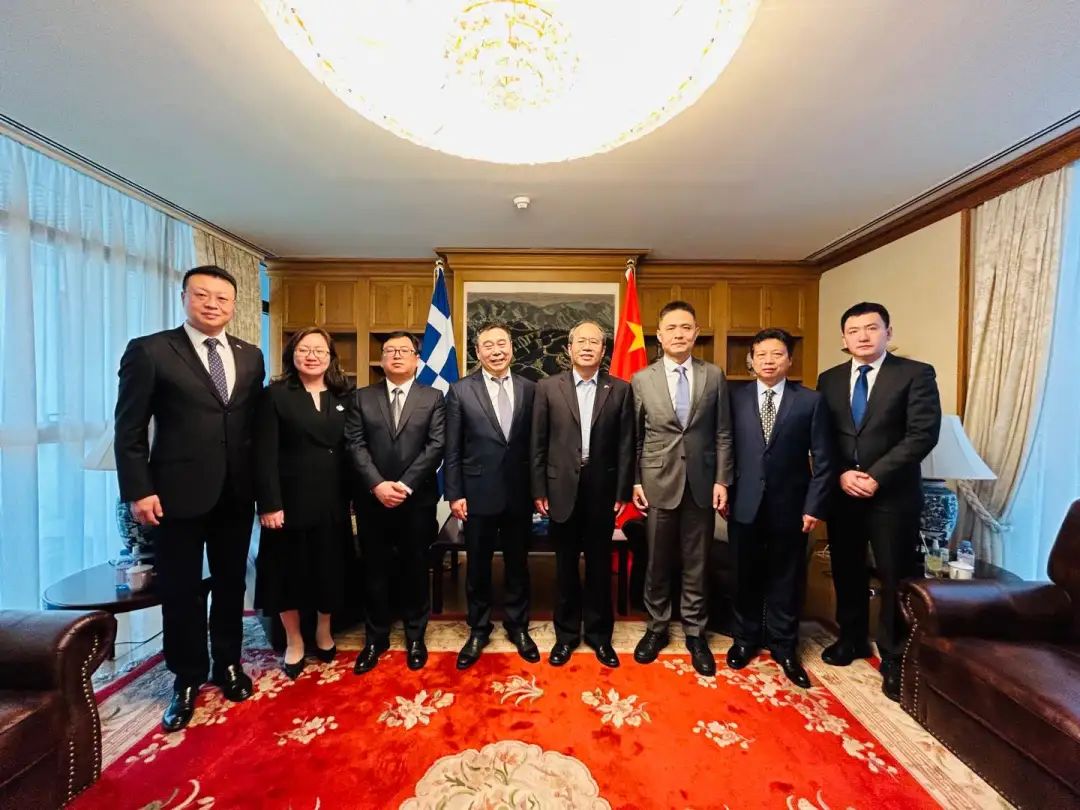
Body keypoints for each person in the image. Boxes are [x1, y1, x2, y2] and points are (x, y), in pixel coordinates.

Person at [114, 265, 265, 732]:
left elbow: (252, 426)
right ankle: (185, 677)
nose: (212, 304)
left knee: (231, 584)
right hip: (174, 494)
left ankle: (228, 663)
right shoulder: (151, 350)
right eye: (202, 295)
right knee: (180, 589)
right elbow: (129, 427)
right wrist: (138, 489)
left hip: (236, 492)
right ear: (184, 297)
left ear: (233, 305)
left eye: (222, 298)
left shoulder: (251, 355)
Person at [816, 302, 941, 701]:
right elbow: (823, 436)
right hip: (843, 493)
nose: (863, 336)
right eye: (854, 330)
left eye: (872, 328)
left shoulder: (915, 374)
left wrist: (876, 476)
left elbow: (922, 434)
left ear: (888, 331)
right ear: (844, 338)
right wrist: (841, 473)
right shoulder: (830, 379)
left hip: (892, 495)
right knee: (846, 569)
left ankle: (894, 656)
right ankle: (851, 638)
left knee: (894, 575)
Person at [726, 328, 834, 688]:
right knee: (744, 576)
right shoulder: (734, 398)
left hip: (792, 507)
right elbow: (724, 449)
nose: (768, 361)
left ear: (789, 359)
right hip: (743, 504)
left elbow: (824, 459)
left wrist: (814, 505)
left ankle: (785, 647)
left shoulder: (810, 401)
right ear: (751, 360)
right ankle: (745, 640)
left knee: (786, 579)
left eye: (776, 354)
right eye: (761, 355)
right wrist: (723, 489)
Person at [630, 300, 734, 676]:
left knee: (697, 562)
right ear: (659, 335)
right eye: (671, 328)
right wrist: (636, 480)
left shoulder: (714, 375)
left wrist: (722, 479)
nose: (679, 334)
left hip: (702, 484)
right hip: (657, 481)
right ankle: (656, 627)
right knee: (657, 561)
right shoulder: (642, 379)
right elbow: (635, 437)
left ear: (695, 333)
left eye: (685, 327)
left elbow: (723, 432)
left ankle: (695, 632)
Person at [531, 320, 635, 668]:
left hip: (602, 489)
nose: (587, 347)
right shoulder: (548, 388)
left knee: (600, 567)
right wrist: (539, 489)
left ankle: (599, 636)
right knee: (564, 567)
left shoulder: (619, 389)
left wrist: (622, 490)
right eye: (581, 341)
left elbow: (626, 445)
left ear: (603, 351)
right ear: (569, 348)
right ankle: (565, 637)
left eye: (595, 342)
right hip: (560, 487)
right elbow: (538, 443)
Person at [253, 327, 353, 680]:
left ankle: (323, 631)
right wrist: (269, 504)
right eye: (304, 349)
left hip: (333, 499)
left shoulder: (345, 394)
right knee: (287, 574)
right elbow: (263, 454)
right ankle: (294, 639)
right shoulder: (275, 395)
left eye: (320, 350)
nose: (312, 356)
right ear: (292, 355)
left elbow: (351, 448)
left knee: (329, 568)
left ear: (330, 357)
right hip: (288, 503)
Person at [345, 331, 445, 674]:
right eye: (390, 350)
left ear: (417, 359)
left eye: (404, 350)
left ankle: (416, 636)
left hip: (416, 499)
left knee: (415, 567)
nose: (397, 355)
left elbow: (436, 445)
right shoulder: (362, 397)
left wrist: (403, 485)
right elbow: (355, 444)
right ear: (382, 359)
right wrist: (377, 485)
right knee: (374, 569)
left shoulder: (433, 397)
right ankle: (376, 638)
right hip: (373, 500)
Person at [445, 322, 539, 670]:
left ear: (511, 347)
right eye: (489, 345)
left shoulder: (531, 389)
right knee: (478, 566)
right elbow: (452, 448)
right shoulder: (460, 391)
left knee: (518, 564)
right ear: (477, 352)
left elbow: (536, 446)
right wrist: (454, 493)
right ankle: (478, 629)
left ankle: (518, 626)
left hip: (519, 493)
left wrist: (538, 490)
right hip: (477, 493)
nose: (496, 351)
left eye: (502, 344)